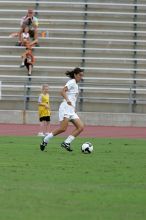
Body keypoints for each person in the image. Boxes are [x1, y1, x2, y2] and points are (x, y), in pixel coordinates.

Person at [40, 67, 84, 152]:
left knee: (81, 127)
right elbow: (62, 91)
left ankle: (66, 142)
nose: (81, 77)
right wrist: (67, 100)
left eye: (82, 75)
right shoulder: (71, 82)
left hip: (71, 109)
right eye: (79, 75)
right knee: (63, 129)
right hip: (65, 108)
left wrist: (74, 108)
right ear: (75, 75)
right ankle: (46, 140)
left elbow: (73, 97)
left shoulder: (76, 85)